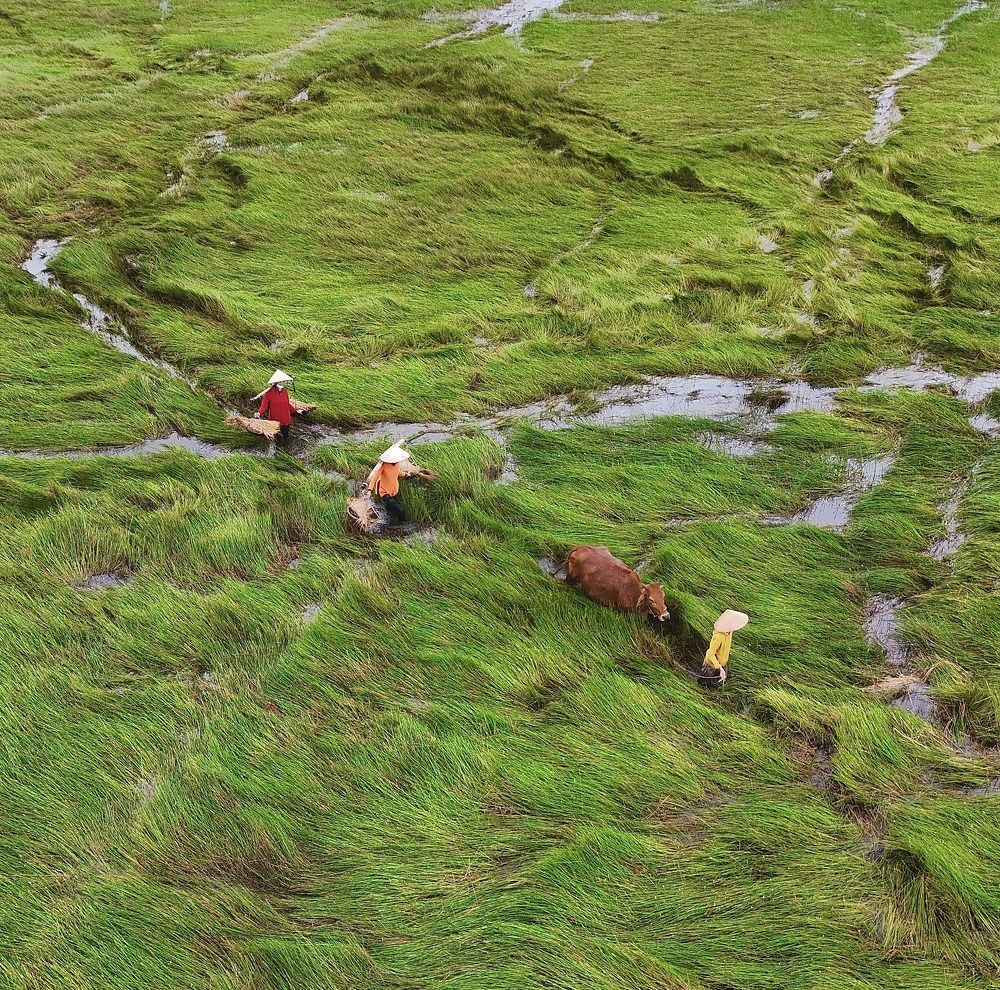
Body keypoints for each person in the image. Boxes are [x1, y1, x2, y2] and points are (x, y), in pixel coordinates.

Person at [700, 610, 749, 685]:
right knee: (704, 682)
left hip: (723, 662)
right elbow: (710, 654)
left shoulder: (729, 631)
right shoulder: (718, 637)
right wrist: (719, 668)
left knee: (719, 682)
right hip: (711, 665)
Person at [367, 444, 412, 524]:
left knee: (390, 509)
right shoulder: (383, 466)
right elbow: (374, 477)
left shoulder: (397, 464)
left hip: (394, 491)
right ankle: (404, 524)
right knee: (400, 510)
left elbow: (397, 472)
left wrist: (405, 474)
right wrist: (370, 490)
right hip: (385, 493)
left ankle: (389, 521)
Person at [254, 369, 295, 443]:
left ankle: (286, 452)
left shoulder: (285, 391)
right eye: (282, 381)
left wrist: (296, 411)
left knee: (286, 437)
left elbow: (287, 404)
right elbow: (264, 406)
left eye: (284, 381)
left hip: (286, 419)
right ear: (277, 381)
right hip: (275, 421)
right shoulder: (269, 393)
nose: (284, 382)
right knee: (277, 440)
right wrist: (259, 413)